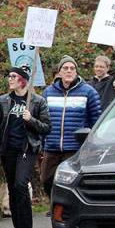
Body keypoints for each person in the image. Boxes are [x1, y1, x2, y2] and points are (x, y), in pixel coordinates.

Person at [0, 66, 51, 228]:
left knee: (20, 186)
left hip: (27, 149)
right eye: (9, 76)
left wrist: (31, 119)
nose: (9, 79)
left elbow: (46, 127)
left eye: (13, 76)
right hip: (8, 150)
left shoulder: (37, 101)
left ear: (23, 80)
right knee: (13, 189)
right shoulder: (4, 100)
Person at [42, 56, 102, 198]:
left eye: (72, 68)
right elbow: (42, 120)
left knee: (70, 182)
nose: (69, 71)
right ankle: (53, 202)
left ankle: (65, 207)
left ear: (76, 71)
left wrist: (91, 144)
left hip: (75, 147)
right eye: (65, 68)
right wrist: (41, 142)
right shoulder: (48, 92)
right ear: (59, 72)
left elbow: (96, 121)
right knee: (46, 179)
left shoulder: (89, 92)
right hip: (52, 145)